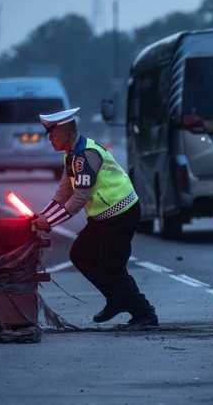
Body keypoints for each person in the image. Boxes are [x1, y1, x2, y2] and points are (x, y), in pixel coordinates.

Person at [31, 107, 158, 328]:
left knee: (112, 268)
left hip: (121, 214)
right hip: (103, 217)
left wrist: (48, 222)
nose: (49, 139)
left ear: (65, 133)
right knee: (81, 255)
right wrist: (42, 215)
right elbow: (63, 193)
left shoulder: (85, 156)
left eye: (51, 134)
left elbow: (79, 198)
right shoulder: (71, 155)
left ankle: (144, 314)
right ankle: (116, 300)